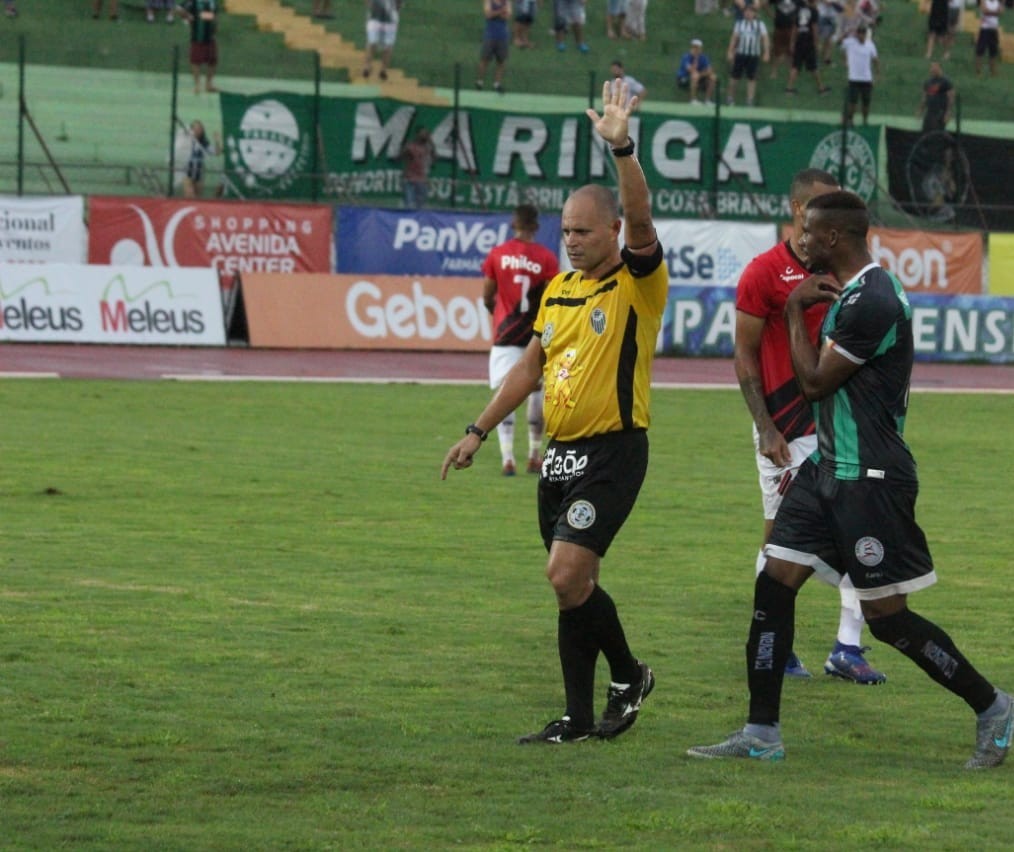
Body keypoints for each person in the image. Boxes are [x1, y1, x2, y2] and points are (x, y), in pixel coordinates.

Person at [689, 190, 1013, 769]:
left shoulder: (874, 298)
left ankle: (993, 706)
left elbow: (813, 382)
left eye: (808, 233)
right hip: (827, 471)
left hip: (870, 478)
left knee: (888, 620)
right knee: (774, 583)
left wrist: (791, 311)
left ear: (833, 237)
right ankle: (761, 732)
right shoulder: (854, 294)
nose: (801, 241)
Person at [441, 80, 667, 745]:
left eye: (583, 231)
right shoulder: (560, 290)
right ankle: (579, 714)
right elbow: (531, 367)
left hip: (614, 450)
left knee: (564, 572)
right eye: (565, 230)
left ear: (613, 232)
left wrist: (622, 148)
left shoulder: (637, 283)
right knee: (573, 587)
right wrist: (477, 431)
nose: (571, 241)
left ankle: (626, 675)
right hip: (562, 456)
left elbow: (643, 214)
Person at [733, 168, 887, 685]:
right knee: (779, 541)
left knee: (861, 533)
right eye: (824, 208)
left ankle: (847, 647)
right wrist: (766, 428)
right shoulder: (763, 273)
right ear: (801, 211)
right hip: (786, 431)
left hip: (841, 430)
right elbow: (745, 356)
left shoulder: (850, 272)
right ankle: (772, 645)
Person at [481, 204, 561, 476]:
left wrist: (495, 312)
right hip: (534, 333)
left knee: (506, 390)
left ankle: (507, 459)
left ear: (513, 224)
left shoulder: (497, 255)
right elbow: (552, 296)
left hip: (505, 332)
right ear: (536, 227)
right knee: (536, 391)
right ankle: (534, 455)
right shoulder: (547, 258)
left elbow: (487, 295)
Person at [726, 3, 770, 106]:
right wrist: (730, 51)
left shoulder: (760, 24)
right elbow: (734, 38)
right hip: (741, 53)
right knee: (734, 76)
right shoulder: (739, 24)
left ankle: (750, 100)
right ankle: (730, 98)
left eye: (750, 11)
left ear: (754, 13)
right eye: (746, 11)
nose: (748, 13)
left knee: (752, 78)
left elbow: (765, 38)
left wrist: (766, 52)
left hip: (754, 55)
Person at [785, 0, 832, 96]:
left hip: (799, 40)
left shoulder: (799, 10)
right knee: (813, 66)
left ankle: (789, 88)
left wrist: (792, 42)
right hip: (808, 40)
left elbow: (795, 27)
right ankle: (821, 88)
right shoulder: (814, 11)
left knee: (795, 65)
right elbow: (814, 28)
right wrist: (816, 43)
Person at [839, 23, 878, 126]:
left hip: (866, 78)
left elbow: (875, 60)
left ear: (865, 34)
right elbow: (839, 45)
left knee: (866, 102)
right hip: (854, 78)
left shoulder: (870, 45)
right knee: (853, 101)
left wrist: (877, 75)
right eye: (859, 33)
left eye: (863, 33)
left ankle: (865, 120)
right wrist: (845, 61)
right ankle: (850, 120)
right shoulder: (850, 43)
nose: (861, 35)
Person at [179, 0, 219, 95]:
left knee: (212, 61)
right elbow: (179, 8)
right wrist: (187, 18)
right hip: (197, 37)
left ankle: (208, 84)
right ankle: (197, 85)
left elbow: (215, 15)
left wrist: (216, 25)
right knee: (196, 61)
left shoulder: (213, 2)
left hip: (210, 37)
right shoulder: (193, 1)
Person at [477, 0, 512, 94]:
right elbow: (488, 15)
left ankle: (497, 83)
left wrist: (495, 13)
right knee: (485, 59)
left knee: (501, 61)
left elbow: (507, 16)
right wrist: (501, 11)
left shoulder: (507, 2)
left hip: (503, 36)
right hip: (490, 35)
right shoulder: (488, 1)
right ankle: (480, 82)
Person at [363, 0, 402, 81]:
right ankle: (367, 66)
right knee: (372, 42)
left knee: (388, 45)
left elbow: (399, 2)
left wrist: (395, 11)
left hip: (390, 19)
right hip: (375, 17)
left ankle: (383, 69)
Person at [182, 119, 221, 198]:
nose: (197, 131)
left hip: (199, 172)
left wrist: (217, 141)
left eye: (199, 129)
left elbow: (217, 152)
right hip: (188, 171)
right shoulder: (187, 139)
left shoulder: (204, 143)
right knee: (189, 195)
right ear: (192, 130)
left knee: (197, 197)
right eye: (195, 129)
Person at [400, 127, 436, 209]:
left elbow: (434, 160)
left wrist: (432, 144)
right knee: (409, 204)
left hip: (422, 180)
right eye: (422, 133)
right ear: (417, 135)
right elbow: (400, 157)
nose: (424, 136)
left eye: (426, 134)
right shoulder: (410, 146)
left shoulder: (428, 148)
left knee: (421, 205)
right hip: (409, 179)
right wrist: (406, 153)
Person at [677, 38, 718, 105]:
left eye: (697, 48)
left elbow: (710, 70)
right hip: (683, 79)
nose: (695, 49)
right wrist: (696, 58)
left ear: (701, 49)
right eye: (694, 47)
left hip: (699, 77)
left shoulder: (704, 58)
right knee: (695, 76)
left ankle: (707, 100)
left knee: (713, 77)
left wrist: (701, 74)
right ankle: (693, 100)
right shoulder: (686, 57)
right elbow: (691, 70)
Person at [919, 61, 955, 132]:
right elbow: (924, 97)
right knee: (926, 131)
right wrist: (920, 109)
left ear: (939, 68)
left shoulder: (946, 81)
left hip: (940, 112)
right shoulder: (928, 82)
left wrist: (948, 113)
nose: (932, 69)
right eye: (931, 67)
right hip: (930, 112)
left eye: (935, 67)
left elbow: (951, 98)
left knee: (937, 132)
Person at [768, 0, 800, 81]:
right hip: (779, 27)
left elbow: (803, 8)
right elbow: (765, 4)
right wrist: (771, 14)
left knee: (791, 50)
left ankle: (791, 70)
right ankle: (774, 71)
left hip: (791, 27)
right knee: (777, 50)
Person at [974, 0, 1001, 77]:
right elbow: (984, 11)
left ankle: (993, 71)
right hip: (985, 29)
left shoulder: (997, 2)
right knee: (980, 50)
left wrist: (990, 12)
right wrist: (996, 12)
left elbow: (1001, 11)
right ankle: (978, 71)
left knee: (993, 51)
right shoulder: (984, 1)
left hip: (994, 29)